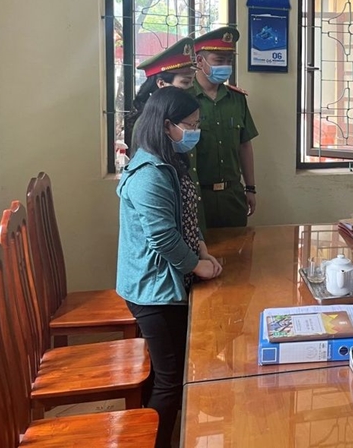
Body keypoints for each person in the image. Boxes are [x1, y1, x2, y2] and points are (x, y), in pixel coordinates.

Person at [116, 86, 222, 448]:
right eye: (189, 125)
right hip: (154, 290)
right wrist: (196, 266)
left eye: (197, 124)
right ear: (165, 125)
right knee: (170, 381)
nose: (195, 132)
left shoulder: (170, 161)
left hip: (168, 281)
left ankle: (147, 432)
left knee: (165, 374)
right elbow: (162, 236)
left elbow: (185, 216)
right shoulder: (150, 173)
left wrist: (202, 251)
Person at [188, 26, 259, 228]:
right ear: (199, 61)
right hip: (197, 195)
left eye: (229, 61)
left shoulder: (237, 99)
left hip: (232, 196)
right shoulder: (185, 99)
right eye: (219, 61)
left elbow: (244, 145)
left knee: (239, 247)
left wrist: (250, 188)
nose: (226, 66)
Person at [125, 37, 197, 154]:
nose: (191, 89)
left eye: (192, 82)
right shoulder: (148, 124)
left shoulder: (185, 117)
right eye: (185, 82)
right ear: (162, 84)